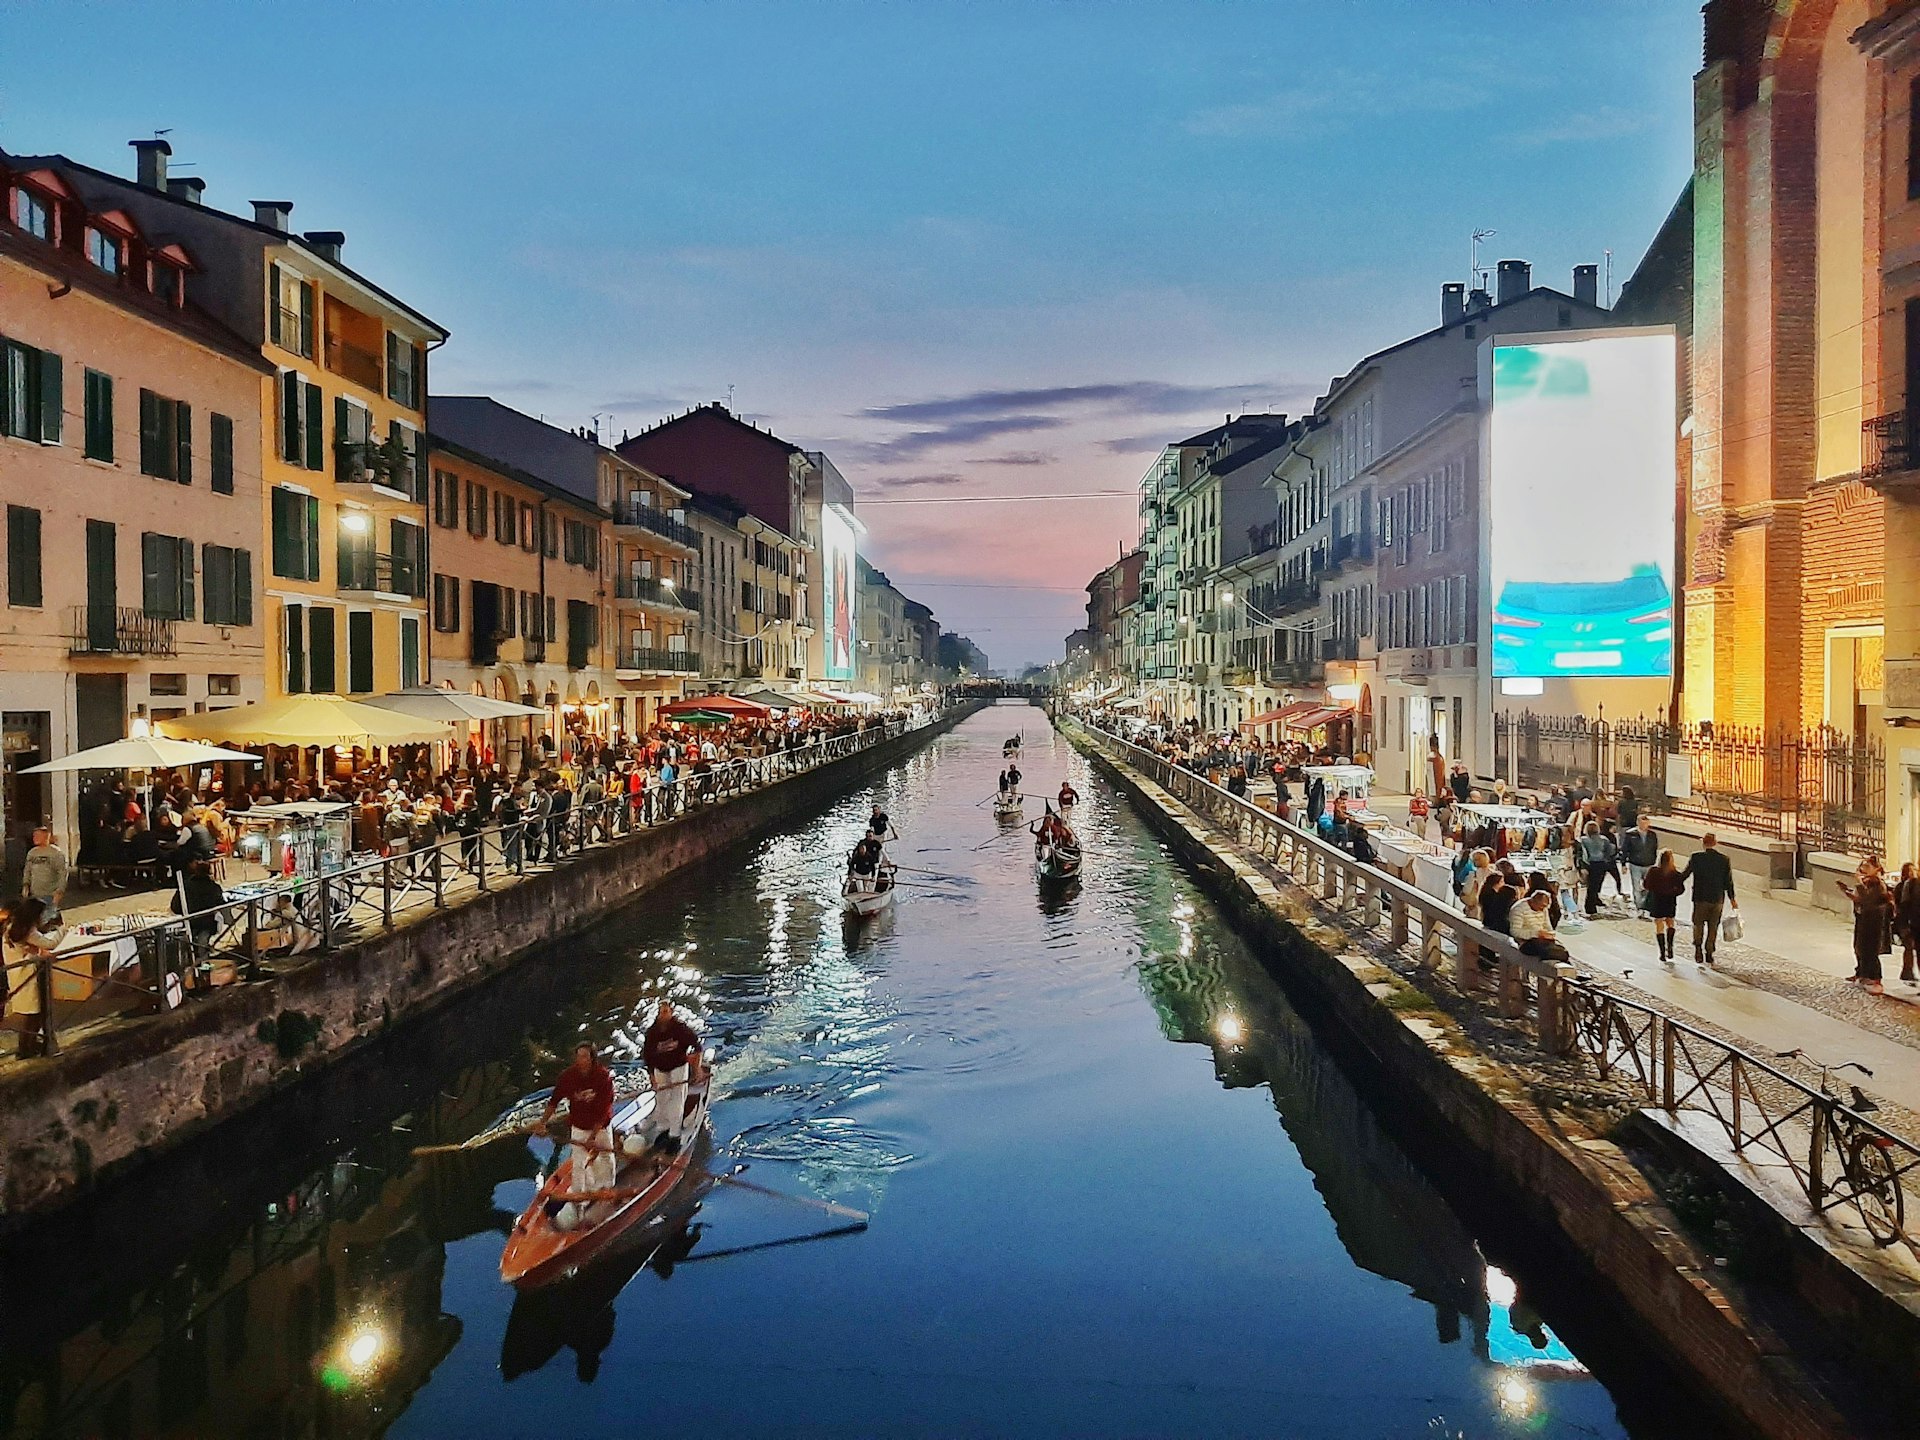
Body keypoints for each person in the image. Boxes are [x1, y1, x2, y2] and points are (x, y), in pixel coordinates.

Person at [540, 1042, 618, 1211]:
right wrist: (542, 1123)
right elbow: (554, 1101)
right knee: (578, 1162)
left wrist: (592, 1137)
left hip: (601, 1126)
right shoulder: (567, 1077)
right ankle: (579, 1197)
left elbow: (604, 1110)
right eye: (578, 1056)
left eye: (584, 1056)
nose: (580, 1060)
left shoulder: (603, 1077)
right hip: (579, 1125)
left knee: (605, 1155)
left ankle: (606, 1186)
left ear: (592, 1058)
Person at [3, 897, 65, 1058]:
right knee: (32, 1013)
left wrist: (32, 951)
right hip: (27, 974)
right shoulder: (27, 930)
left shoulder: (13, 926)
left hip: (17, 972)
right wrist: (62, 930)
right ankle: (25, 1047)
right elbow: (50, 944)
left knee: (31, 1012)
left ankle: (28, 1044)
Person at [642, 1001, 703, 1152]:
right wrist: (651, 1076)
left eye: (666, 1012)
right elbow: (647, 1056)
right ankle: (663, 1129)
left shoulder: (680, 1029)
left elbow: (697, 1047)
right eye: (661, 1012)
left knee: (676, 1101)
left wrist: (697, 1070)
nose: (663, 1015)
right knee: (661, 1099)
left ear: (671, 1012)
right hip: (660, 1069)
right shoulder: (652, 1032)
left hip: (678, 1068)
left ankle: (674, 1136)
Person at [1680, 833, 1737, 966]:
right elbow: (1728, 881)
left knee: (1698, 924)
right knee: (1713, 926)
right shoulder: (1724, 859)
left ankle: (1698, 949)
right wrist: (1732, 898)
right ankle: (1709, 952)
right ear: (1715, 843)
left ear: (1703, 843)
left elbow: (1685, 874)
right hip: (1717, 898)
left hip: (1700, 897)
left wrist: (1673, 882)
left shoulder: (1696, 857)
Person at [1838, 868, 1894, 994]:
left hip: (1874, 924)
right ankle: (1863, 974)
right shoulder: (1869, 888)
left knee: (1871, 951)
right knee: (1861, 949)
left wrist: (1859, 881)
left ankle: (1874, 978)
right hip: (1864, 921)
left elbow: (1866, 899)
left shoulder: (1879, 888)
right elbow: (1860, 900)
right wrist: (1847, 891)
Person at [169, 859, 227, 950]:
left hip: (190, 921)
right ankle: (202, 955)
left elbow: (175, 907)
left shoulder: (185, 886)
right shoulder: (214, 887)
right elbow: (221, 904)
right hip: (208, 923)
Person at [1643, 850, 1686, 963]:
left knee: (1659, 925)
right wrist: (1672, 892)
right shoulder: (1675, 873)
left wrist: (1656, 889)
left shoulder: (1654, 871)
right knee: (1670, 922)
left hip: (1657, 900)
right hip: (1670, 901)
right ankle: (1670, 947)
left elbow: (1646, 885)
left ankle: (1662, 952)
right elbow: (1681, 889)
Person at [21, 827, 69, 922]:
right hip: (35, 894)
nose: (34, 838)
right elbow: (27, 870)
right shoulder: (32, 853)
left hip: (50, 894)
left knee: (48, 921)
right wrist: (26, 885)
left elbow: (62, 873)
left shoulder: (56, 853)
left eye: (37, 835)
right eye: (34, 836)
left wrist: (59, 891)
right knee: (36, 921)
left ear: (46, 836)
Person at [1620, 815, 1660, 917]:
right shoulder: (1630, 834)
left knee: (1648, 887)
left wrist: (1654, 861)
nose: (1644, 825)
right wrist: (1623, 863)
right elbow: (1625, 849)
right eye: (1642, 823)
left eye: (1646, 823)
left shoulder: (1652, 835)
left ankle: (1645, 905)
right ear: (1638, 823)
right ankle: (1639, 908)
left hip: (1649, 864)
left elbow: (1654, 848)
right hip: (1635, 864)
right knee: (1636, 887)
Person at [1578, 822, 1616, 918]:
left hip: (1589, 864)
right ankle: (1592, 904)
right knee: (1597, 885)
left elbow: (1582, 853)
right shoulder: (1604, 839)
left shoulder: (1583, 840)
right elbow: (1610, 850)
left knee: (1590, 886)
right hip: (1601, 864)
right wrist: (1606, 859)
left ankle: (1590, 907)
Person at [1894, 861, 1920, 986]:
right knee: (1909, 946)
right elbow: (1902, 905)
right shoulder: (1906, 886)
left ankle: (1907, 970)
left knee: (1910, 947)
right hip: (1907, 922)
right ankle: (1907, 971)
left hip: (1910, 921)